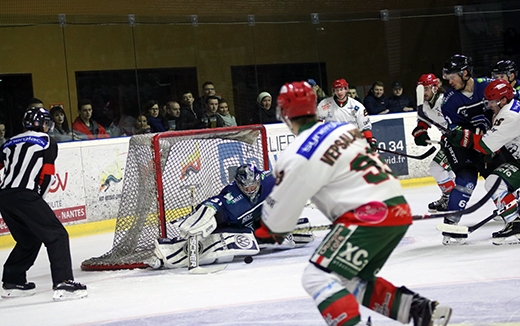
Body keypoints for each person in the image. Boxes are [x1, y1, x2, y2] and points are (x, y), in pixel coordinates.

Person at [256, 81, 451, 326]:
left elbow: (278, 222)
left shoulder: (296, 153)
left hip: (367, 217)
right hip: (398, 210)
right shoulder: (345, 131)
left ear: (284, 114)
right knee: (350, 278)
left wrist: (267, 230)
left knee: (316, 277)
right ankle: (419, 311)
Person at [0, 107, 87, 301]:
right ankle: (63, 282)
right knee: (56, 235)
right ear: (41, 124)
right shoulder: (47, 141)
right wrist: (37, 198)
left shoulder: (8, 143)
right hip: (26, 195)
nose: (48, 126)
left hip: (4, 197)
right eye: (47, 122)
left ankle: (13, 280)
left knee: (28, 239)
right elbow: (46, 175)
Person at [154, 164, 314, 268]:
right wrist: (208, 209)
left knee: (294, 233)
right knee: (214, 235)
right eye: (246, 186)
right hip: (235, 226)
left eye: (253, 186)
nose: (250, 190)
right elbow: (216, 202)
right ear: (237, 183)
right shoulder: (232, 195)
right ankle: (172, 249)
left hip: (258, 221)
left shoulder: (269, 180)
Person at [440, 54, 506, 245]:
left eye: (453, 77)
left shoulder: (487, 85)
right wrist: (472, 133)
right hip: (462, 144)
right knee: (467, 178)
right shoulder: (449, 101)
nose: (449, 81)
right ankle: (451, 224)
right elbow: (455, 130)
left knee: (499, 176)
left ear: (465, 73)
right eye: (448, 78)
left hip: (488, 142)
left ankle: (510, 213)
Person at [446, 79, 520, 245]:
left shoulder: (510, 115)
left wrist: (465, 137)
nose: (489, 105)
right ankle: (514, 223)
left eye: (492, 101)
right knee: (494, 182)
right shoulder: (509, 108)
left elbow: (485, 145)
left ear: (502, 100)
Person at [411, 74, 455, 212]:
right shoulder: (423, 105)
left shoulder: (445, 101)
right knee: (448, 171)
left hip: (460, 140)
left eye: (426, 89)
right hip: (450, 140)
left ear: (435, 88)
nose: (423, 93)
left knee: (437, 168)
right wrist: (421, 133)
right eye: (421, 89)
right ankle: (450, 198)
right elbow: (422, 121)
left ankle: (452, 198)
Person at [316, 78, 377, 151]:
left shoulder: (357, 106)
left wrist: (369, 139)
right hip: (332, 143)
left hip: (352, 142)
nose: (339, 93)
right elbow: (317, 124)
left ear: (346, 89)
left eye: (341, 89)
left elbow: (364, 126)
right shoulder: (324, 104)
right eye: (337, 90)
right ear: (333, 91)